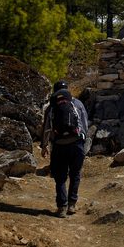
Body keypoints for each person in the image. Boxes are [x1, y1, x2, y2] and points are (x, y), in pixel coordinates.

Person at [41, 80, 89, 218]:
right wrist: (83, 142)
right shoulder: (78, 104)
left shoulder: (52, 106)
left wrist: (44, 146)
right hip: (77, 144)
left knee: (60, 177)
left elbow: (46, 128)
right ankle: (72, 205)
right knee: (75, 174)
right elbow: (85, 123)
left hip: (59, 145)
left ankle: (62, 207)